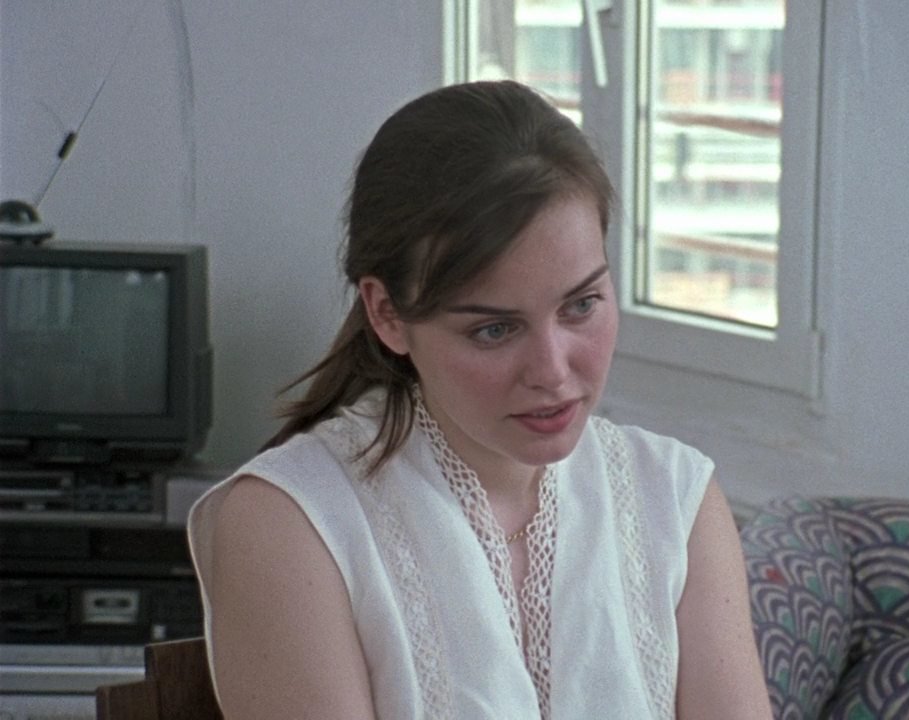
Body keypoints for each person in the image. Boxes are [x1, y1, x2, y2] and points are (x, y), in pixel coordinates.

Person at [187, 79, 771, 719]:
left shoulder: (675, 499)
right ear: (387, 314)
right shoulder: (291, 520)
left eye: (581, 305)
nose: (552, 372)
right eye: (494, 330)